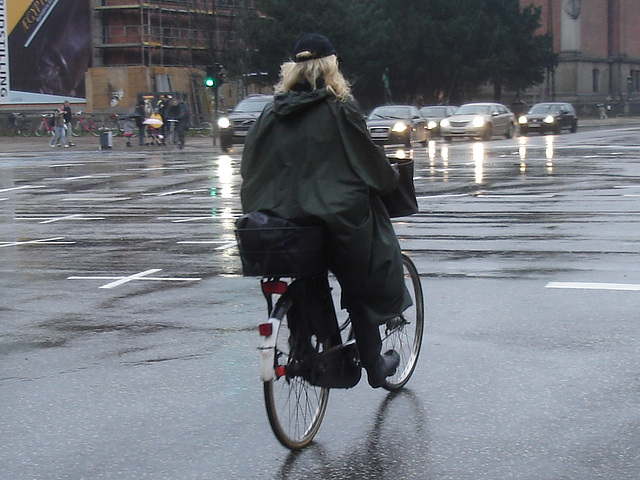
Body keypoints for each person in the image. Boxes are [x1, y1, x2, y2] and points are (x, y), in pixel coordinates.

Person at [240, 33, 412, 388]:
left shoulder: (271, 111)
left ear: (292, 70)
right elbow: (369, 162)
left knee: (307, 273)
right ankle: (375, 366)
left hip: (281, 221)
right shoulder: (340, 107)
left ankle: (316, 347)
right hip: (337, 219)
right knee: (367, 272)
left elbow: (249, 166)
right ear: (332, 67)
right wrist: (390, 178)